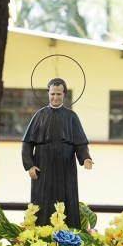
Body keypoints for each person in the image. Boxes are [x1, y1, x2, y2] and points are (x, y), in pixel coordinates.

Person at [21, 77, 93, 228]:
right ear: (48, 94)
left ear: (64, 95)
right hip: (43, 169)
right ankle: (41, 239)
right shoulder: (39, 116)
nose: (55, 97)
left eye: (59, 94)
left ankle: (68, 240)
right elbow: (27, 143)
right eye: (52, 94)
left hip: (66, 169)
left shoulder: (71, 117)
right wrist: (30, 165)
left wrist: (85, 158)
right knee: (43, 202)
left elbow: (80, 143)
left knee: (66, 202)